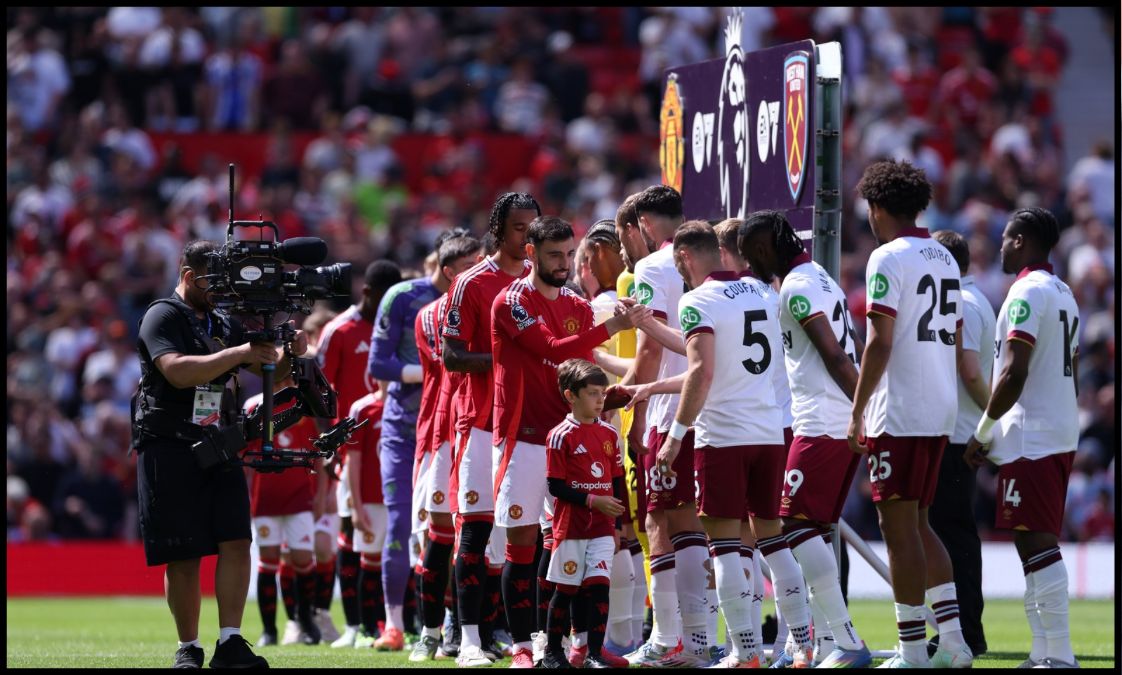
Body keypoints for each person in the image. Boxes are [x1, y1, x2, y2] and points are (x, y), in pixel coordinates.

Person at [624, 221, 812, 668]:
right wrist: (648, 327)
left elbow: (702, 373)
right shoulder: (763, 293)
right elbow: (707, 359)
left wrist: (673, 437)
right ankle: (803, 644)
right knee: (772, 539)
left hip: (723, 436)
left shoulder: (696, 300)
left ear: (685, 257)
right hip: (768, 432)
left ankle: (746, 652)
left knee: (724, 544)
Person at [133, 240, 308, 669]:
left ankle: (230, 642)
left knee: (236, 540)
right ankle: (188, 647)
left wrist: (289, 354)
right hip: (170, 444)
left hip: (218, 440)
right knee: (183, 551)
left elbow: (270, 370)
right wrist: (242, 352)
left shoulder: (221, 320)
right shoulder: (163, 314)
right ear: (189, 277)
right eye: (212, 283)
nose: (219, 291)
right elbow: (175, 371)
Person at [489, 215, 649, 668]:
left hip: (567, 439)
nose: (562, 264)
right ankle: (523, 646)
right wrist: (613, 328)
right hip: (522, 436)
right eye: (553, 255)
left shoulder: (577, 305)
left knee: (568, 546)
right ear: (531, 254)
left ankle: (573, 647)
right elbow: (552, 350)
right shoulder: (512, 301)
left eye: (566, 254)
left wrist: (618, 392)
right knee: (522, 544)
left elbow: (579, 366)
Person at [736, 211, 873, 668]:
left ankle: (847, 640)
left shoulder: (796, 287)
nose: (750, 268)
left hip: (823, 421)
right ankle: (831, 641)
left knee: (790, 523)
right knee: (811, 529)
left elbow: (834, 354)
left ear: (760, 249)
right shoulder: (822, 278)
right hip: (834, 420)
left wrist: (862, 411)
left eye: (748, 257)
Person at [849, 160, 971, 668]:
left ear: (878, 208)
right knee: (920, 522)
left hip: (899, 405)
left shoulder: (886, 258)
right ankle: (956, 643)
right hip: (939, 401)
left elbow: (879, 341)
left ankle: (913, 650)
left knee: (897, 525)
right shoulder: (944, 256)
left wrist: (856, 409)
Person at [965, 207, 1081, 669]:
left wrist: (983, 431)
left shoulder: (1026, 293)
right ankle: (1043, 651)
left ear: (1020, 241)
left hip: (1033, 432)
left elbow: (1013, 371)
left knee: (1037, 541)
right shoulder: (1062, 290)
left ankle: (1061, 654)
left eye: (1005, 238)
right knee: (1029, 538)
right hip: (1052, 426)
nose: (999, 247)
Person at [441, 192, 540, 667]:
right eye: (521, 228)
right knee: (476, 532)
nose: (529, 237)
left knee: (524, 535)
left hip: (527, 425)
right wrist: (508, 356)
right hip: (480, 422)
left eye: (534, 227)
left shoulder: (538, 281)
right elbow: (452, 355)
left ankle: (527, 637)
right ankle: (469, 641)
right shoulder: (471, 283)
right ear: (500, 229)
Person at [616, 187, 711, 668]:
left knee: (658, 520)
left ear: (642, 226)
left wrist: (629, 404)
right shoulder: (710, 255)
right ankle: (698, 641)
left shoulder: (652, 267)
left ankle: (668, 638)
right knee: (693, 522)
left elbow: (650, 351)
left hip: (666, 411)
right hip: (710, 406)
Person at [367, 230, 469, 652]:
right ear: (446, 267)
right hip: (405, 431)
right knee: (401, 524)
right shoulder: (404, 297)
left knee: (456, 530)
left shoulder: (483, 299)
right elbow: (378, 363)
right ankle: (393, 624)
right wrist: (428, 371)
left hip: (457, 427)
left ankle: (450, 623)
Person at [316, 260, 402, 648]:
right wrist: (330, 446)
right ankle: (354, 624)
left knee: (392, 538)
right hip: (353, 450)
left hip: (393, 443)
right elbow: (317, 395)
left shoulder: (397, 327)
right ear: (367, 294)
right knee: (353, 533)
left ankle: (387, 622)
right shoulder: (339, 331)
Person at [409, 232, 485, 662]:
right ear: (452, 272)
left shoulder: (493, 303)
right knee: (440, 533)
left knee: (484, 535)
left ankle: (480, 629)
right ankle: (431, 630)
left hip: (484, 424)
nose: (482, 269)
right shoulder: (432, 315)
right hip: (444, 428)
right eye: (473, 263)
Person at [929, 230, 994, 659]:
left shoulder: (963, 305)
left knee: (952, 535)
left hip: (957, 434)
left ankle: (965, 629)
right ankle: (967, 627)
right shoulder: (978, 300)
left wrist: (992, 421)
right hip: (962, 432)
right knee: (956, 533)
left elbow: (968, 372)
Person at [582, 219, 644, 658]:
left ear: (596, 256)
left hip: (606, 433)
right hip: (632, 428)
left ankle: (615, 638)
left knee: (614, 536)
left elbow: (626, 367)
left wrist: (586, 350)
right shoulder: (639, 291)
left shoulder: (603, 307)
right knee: (634, 538)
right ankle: (630, 636)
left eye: (580, 259)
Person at [540, 359, 628, 670]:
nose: (600, 399)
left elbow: (617, 480)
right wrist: (592, 500)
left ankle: (595, 653)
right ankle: (552, 652)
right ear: (571, 396)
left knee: (599, 587)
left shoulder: (608, 434)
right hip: (572, 527)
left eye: (603, 393)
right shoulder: (559, 435)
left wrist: (618, 525)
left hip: (603, 528)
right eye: (592, 393)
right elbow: (555, 486)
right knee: (565, 591)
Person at [245, 374, 327, 647]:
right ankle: (269, 630)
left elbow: (319, 454)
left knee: (303, 558)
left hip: (299, 497)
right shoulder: (254, 406)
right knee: (268, 559)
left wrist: (320, 496)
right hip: (265, 497)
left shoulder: (303, 407)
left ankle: (305, 620)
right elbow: (244, 453)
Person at [345, 389, 389, 650]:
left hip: (401, 502)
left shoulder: (408, 405)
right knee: (370, 563)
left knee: (403, 564)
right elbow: (353, 459)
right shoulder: (361, 408)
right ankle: (367, 628)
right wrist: (355, 505)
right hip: (371, 501)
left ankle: (404, 627)